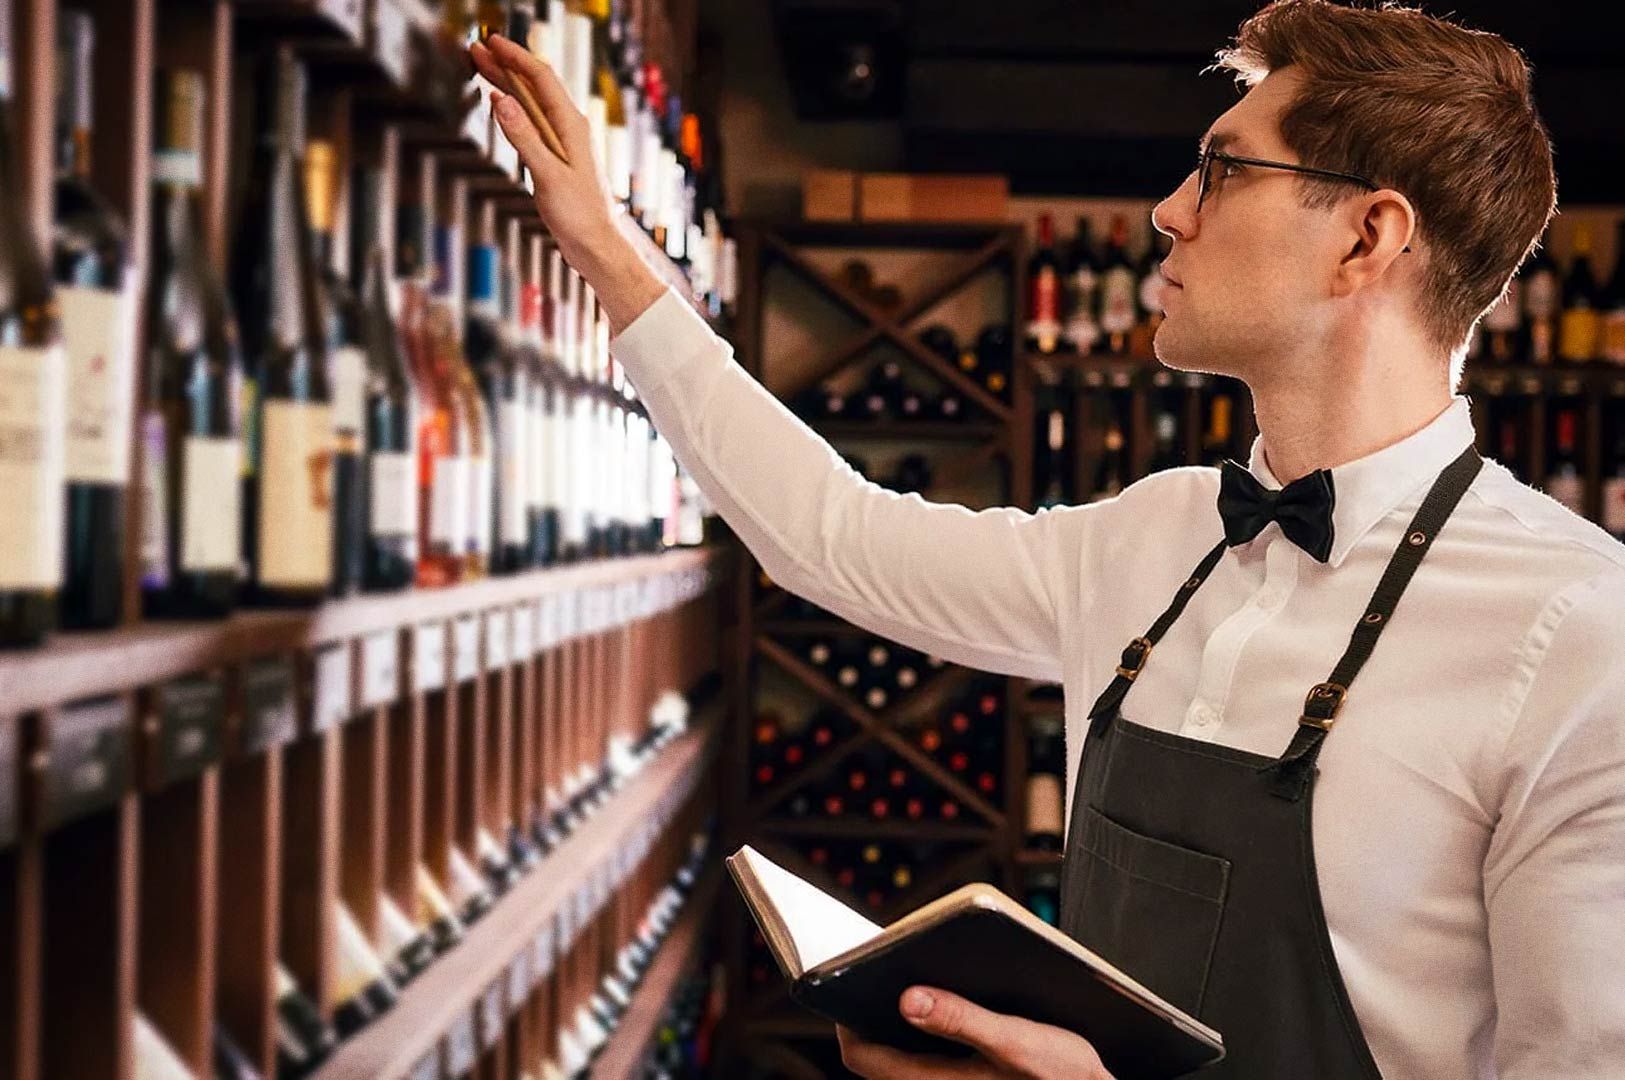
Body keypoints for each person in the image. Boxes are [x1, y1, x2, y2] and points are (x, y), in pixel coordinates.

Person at [471, 0, 1625, 1074]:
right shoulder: (1152, 535)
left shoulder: (1577, 635)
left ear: (1365, 238)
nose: (1169, 209)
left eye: (1223, 168)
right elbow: (832, 540)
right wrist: (612, 260)